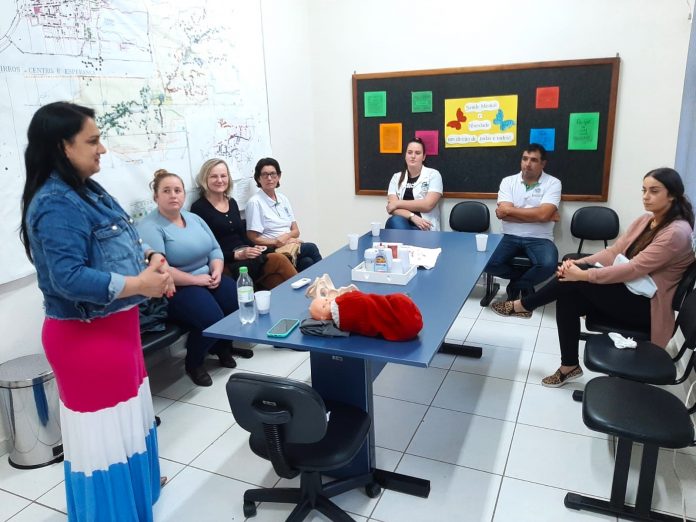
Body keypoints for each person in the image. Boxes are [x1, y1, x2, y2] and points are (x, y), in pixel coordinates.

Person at [20, 101, 174, 521]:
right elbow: (68, 278)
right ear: (62, 146)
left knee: (129, 422)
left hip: (118, 330)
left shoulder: (87, 189)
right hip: (87, 339)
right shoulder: (55, 203)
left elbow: (122, 238)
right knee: (103, 436)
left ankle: (134, 495)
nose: (102, 148)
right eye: (92, 141)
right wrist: (141, 284)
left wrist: (151, 257)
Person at [492, 168, 695, 387]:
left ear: (672, 195)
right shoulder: (647, 220)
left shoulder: (676, 232)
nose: (646, 196)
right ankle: (569, 366)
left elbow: (633, 269)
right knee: (568, 296)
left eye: (654, 191)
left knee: (577, 281)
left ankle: (524, 305)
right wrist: (576, 264)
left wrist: (582, 274)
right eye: (644, 190)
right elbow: (613, 253)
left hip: (648, 307)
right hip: (632, 291)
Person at [137, 169, 239, 387]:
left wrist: (217, 269)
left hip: (207, 277)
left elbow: (215, 248)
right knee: (210, 318)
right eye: (166, 191)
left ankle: (221, 347)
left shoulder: (193, 218)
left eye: (177, 190)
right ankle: (194, 362)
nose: (173, 195)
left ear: (184, 194)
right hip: (176, 287)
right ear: (156, 196)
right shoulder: (150, 226)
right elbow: (161, 269)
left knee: (234, 300)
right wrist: (196, 280)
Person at [190, 158, 297, 288]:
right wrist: (236, 255)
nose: (219, 180)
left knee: (277, 280)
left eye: (223, 176)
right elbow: (205, 249)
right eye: (214, 176)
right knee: (278, 260)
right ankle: (311, 293)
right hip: (226, 263)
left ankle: (309, 297)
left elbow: (242, 236)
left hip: (247, 256)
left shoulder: (232, 202)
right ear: (205, 179)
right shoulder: (199, 208)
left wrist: (255, 247)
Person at [484, 143, 562, 303]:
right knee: (487, 263)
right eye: (525, 159)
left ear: (543, 163)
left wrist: (511, 211)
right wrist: (541, 215)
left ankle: (516, 286)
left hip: (540, 238)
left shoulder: (553, 183)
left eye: (533, 160)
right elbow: (504, 215)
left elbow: (541, 214)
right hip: (508, 236)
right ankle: (524, 283)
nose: (527, 163)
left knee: (548, 265)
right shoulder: (508, 181)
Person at [245, 157, 322, 271]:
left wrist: (286, 239)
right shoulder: (255, 202)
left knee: (307, 262)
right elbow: (253, 237)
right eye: (265, 175)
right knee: (311, 248)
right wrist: (277, 242)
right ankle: (327, 277)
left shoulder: (283, 199)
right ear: (258, 178)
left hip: (289, 245)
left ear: (279, 176)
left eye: (273, 174)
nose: (269, 178)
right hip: (272, 249)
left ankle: (318, 282)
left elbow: (296, 231)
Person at [385, 137, 443, 231]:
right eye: (409, 152)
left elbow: (427, 205)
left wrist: (398, 203)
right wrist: (412, 216)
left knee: (397, 228)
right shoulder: (396, 177)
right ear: (405, 156)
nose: (413, 156)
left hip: (424, 226)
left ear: (423, 157)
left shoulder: (433, 175)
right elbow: (391, 208)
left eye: (417, 153)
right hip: (401, 224)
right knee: (395, 221)